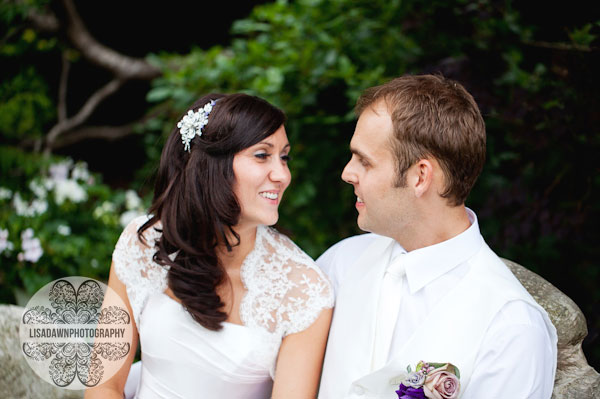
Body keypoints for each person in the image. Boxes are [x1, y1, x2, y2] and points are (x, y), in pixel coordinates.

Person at [317, 75, 557, 398]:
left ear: (420, 176)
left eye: (365, 162)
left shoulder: (512, 329)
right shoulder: (340, 265)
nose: (347, 173)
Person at [85, 93, 334, 399]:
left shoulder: (303, 291)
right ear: (211, 165)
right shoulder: (144, 242)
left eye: (284, 157)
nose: (282, 175)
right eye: (261, 155)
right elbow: (104, 384)